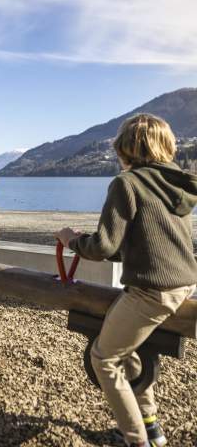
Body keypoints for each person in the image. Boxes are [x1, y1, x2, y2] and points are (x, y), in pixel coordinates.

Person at [55, 113, 197, 447]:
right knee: (135, 349)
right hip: (183, 283)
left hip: (152, 292)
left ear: (124, 148)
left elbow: (104, 245)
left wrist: (71, 240)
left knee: (103, 358)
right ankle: (150, 426)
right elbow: (147, 241)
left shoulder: (126, 184)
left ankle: (136, 440)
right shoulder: (175, 181)